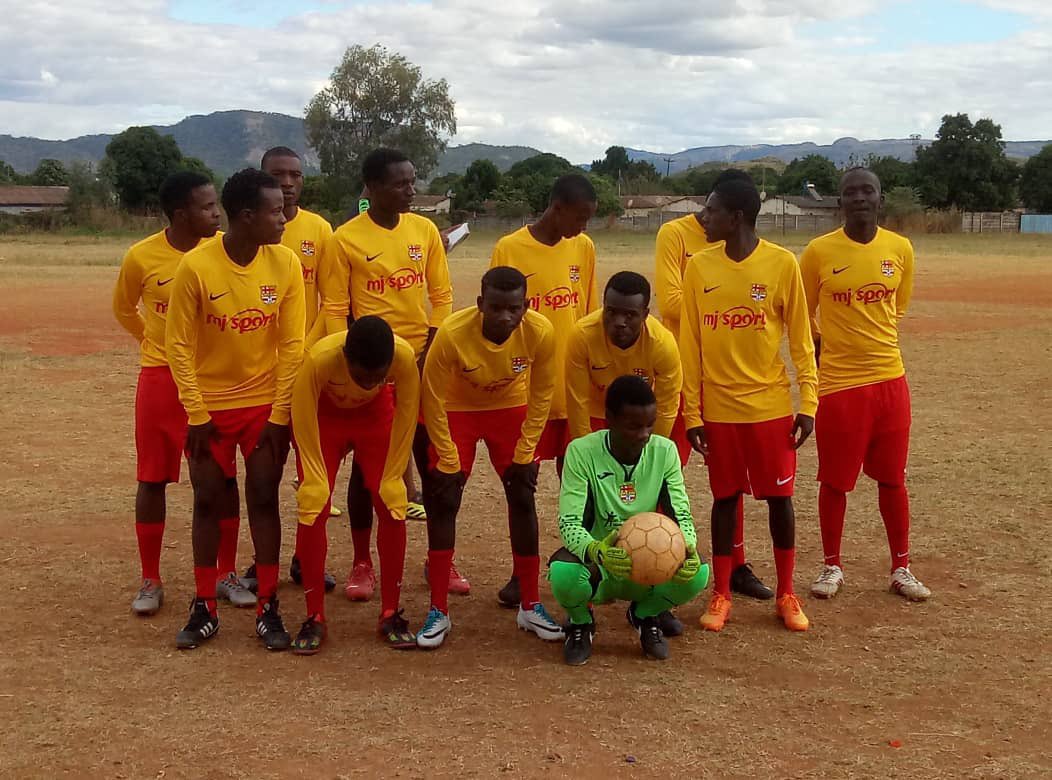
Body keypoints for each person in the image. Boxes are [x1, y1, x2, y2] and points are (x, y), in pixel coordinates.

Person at [165, 168, 305, 651]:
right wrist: (197, 413)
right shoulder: (197, 267)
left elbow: (292, 345)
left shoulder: (285, 263)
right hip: (211, 409)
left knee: (264, 499)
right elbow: (177, 346)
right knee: (208, 502)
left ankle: (269, 605)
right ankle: (204, 604)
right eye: (274, 211)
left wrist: (279, 414)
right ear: (246, 217)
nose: (285, 217)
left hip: (264, 406)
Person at [317, 148, 460, 600]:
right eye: (401, 183)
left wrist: (430, 348)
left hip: (420, 367)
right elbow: (337, 309)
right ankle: (363, 564)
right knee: (367, 475)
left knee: (434, 468)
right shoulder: (345, 239)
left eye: (412, 180)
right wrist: (355, 367)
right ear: (373, 188)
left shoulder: (424, 232)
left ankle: (442, 561)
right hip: (373, 374)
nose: (411, 190)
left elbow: (442, 294)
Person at [679, 176, 818, 633]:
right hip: (719, 412)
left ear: (736, 217)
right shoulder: (699, 267)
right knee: (724, 500)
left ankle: (786, 592)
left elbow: (801, 340)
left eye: (712, 210)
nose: (703, 217)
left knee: (780, 500)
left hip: (771, 410)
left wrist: (808, 403)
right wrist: (694, 414)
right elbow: (691, 345)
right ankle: (721, 593)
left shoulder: (781, 264)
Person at [113, 171, 254, 615]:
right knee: (153, 478)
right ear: (180, 214)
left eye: (217, 205)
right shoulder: (141, 257)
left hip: (211, 381)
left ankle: (225, 573)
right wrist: (153, 344)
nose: (217, 213)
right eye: (208, 207)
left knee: (219, 479)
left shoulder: (221, 254)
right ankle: (150, 579)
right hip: (160, 380)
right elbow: (123, 307)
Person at [415, 267, 563, 649]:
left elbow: (543, 395)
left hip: (508, 408)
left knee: (522, 495)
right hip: (456, 408)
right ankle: (438, 612)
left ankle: (530, 604)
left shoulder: (541, 332)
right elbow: (430, 397)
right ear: (480, 304)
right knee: (445, 499)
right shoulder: (451, 333)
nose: (504, 317)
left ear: (526, 307)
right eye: (495, 308)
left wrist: (526, 450)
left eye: (514, 309)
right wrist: (447, 457)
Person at [800, 167, 930, 602]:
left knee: (893, 478)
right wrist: (821, 352)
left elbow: (898, 308)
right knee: (835, 482)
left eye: (867, 191)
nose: (859, 198)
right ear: (839, 202)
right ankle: (831, 566)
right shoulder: (818, 252)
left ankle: (902, 567)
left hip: (891, 380)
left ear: (880, 198)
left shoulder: (900, 248)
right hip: (839, 386)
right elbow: (803, 315)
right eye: (850, 192)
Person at [654, 169, 772, 601]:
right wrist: (719, 298)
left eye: (715, 207)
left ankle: (737, 564)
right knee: (667, 470)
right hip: (684, 369)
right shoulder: (676, 236)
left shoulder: (744, 248)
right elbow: (669, 302)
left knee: (732, 479)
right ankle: (658, 561)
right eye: (706, 205)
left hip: (729, 375)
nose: (705, 215)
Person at [488, 173, 599, 607]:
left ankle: (586, 566)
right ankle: (524, 575)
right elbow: (500, 317)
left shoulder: (583, 249)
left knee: (581, 485)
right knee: (523, 486)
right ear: (557, 208)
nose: (584, 228)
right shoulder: (510, 248)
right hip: (528, 391)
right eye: (581, 217)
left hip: (574, 392)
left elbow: (588, 313)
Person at [551, 375, 709, 665]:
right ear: (609, 418)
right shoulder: (580, 452)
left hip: (650, 567)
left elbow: (681, 513)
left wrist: (687, 547)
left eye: (650, 424)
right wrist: (599, 551)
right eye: (634, 426)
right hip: (601, 565)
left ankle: (645, 615)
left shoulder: (665, 451)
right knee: (562, 573)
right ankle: (581, 622)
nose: (644, 434)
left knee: (698, 572)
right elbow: (569, 523)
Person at [290, 316, 420, 654]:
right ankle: (314, 615)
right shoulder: (320, 359)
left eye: (380, 377)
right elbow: (302, 421)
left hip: (375, 419)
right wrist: (315, 480)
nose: (370, 383)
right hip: (325, 419)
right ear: (346, 358)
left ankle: (390, 612)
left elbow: (406, 415)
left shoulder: (403, 358)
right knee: (313, 501)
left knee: (392, 498)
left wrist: (394, 475)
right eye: (362, 377)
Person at [243, 146, 339, 594]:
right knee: (263, 471)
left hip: (308, 363)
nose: (288, 182)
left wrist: (307, 349)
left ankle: (306, 557)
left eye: (295, 174)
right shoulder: (250, 232)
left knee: (311, 468)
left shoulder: (319, 229)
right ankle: (261, 561)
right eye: (278, 175)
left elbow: (332, 298)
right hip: (259, 370)